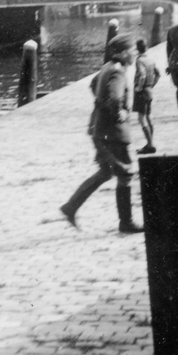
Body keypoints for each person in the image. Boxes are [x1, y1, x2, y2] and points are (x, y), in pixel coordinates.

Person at [60, 33, 144, 234]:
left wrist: (101, 103)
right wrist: (119, 112)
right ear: (123, 53)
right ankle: (126, 222)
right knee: (125, 173)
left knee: (106, 172)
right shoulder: (118, 72)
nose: (135, 54)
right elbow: (115, 98)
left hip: (100, 130)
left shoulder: (107, 67)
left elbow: (93, 85)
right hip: (113, 133)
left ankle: (70, 207)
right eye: (132, 51)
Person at [132, 38, 160, 154]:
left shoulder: (139, 60)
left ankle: (150, 145)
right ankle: (150, 142)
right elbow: (158, 74)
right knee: (148, 117)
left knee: (141, 118)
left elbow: (142, 75)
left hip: (142, 91)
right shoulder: (150, 59)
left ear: (137, 50)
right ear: (147, 47)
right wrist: (152, 85)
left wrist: (139, 87)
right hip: (149, 90)